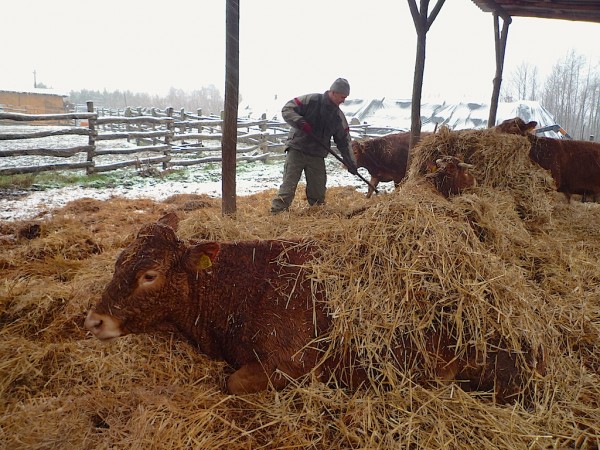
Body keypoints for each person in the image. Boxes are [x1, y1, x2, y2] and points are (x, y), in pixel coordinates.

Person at [270, 78, 358, 214]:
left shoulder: (338, 117)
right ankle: (277, 213)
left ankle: (316, 214)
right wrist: (300, 122)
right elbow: (287, 109)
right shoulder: (311, 100)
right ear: (333, 92)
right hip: (297, 149)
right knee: (288, 186)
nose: (343, 101)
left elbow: (344, 141)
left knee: (318, 192)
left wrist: (350, 162)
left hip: (317, 154)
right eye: (342, 97)